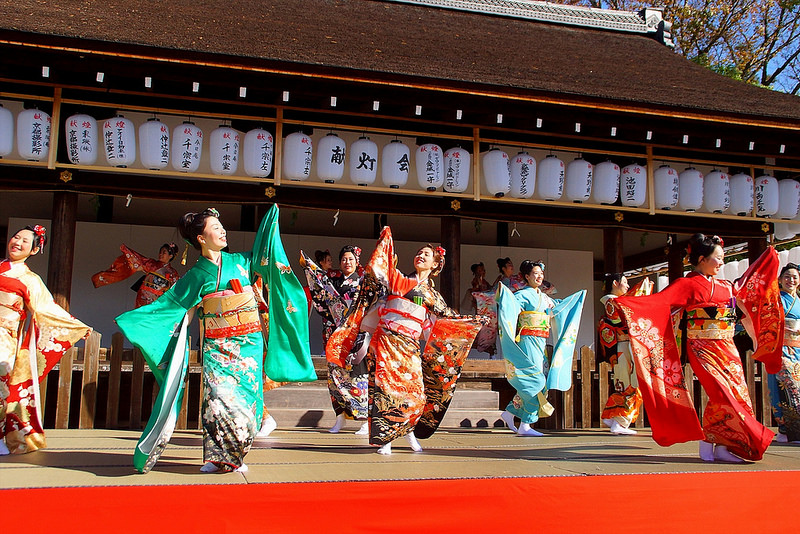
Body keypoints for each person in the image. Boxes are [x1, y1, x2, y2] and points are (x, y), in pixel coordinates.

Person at [116, 205, 316, 473]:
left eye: (222, 227)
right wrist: (156, 328)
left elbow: (267, 258)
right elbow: (175, 309)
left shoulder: (242, 261)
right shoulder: (197, 275)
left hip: (249, 345)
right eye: (216, 228)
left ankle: (236, 456)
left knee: (246, 403)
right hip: (218, 347)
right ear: (201, 238)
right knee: (218, 399)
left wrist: (270, 226)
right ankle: (217, 457)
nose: (223, 232)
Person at [614, 233, 782, 462]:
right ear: (702, 259)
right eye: (718, 258)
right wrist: (625, 303)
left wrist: (768, 258)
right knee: (720, 392)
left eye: (723, 258)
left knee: (738, 394)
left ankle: (724, 445)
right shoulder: (687, 284)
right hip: (702, 347)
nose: (722, 262)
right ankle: (708, 439)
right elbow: (659, 303)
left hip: (728, 348)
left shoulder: (726, 286)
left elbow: (750, 290)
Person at [327, 227, 485, 455]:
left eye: (426, 255)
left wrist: (477, 320)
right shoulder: (398, 279)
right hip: (387, 341)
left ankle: (409, 433)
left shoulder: (431, 295)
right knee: (387, 390)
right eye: (419, 253)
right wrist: (384, 243)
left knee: (416, 393)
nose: (420, 256)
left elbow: (450, 318)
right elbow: (378, 272)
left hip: (409, 345)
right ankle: (386, 440)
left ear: (435, 265)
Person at [1, 225, 91, 455]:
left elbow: (47, 310)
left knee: (2, 389)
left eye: (24, 241)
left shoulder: (30, 280)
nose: (17, 242)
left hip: (4, 339)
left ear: (33, 250)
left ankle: (4, 436)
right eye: (16, 237)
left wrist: (76, 326)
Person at [496, 260, 586, 436]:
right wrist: (505, 295)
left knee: (539, 380)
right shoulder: (522, 295)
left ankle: (510, 412)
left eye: (541, 274)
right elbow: (511, 308)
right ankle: (526, 425)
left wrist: (575, 300)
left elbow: (558, 308)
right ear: (527, 276)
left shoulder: (544, 297)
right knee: (535, 381)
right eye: (535, 273)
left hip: (541, 341)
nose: (539, 277)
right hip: (527, 340)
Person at [301, 244, 368, 434]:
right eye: (344, 259)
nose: (347, 262)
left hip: (355, 336)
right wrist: (309, 268)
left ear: (357, 262)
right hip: (333, 334)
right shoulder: (333, 282)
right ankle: (340, 417)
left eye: (351, 259)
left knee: (358, 376)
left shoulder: (363, 282)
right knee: (335, 377)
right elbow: (320, 296)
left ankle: (364, 419)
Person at [597, 273, 652, 435]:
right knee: (634, 383)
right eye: (625, 282)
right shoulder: (611, 301)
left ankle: (612, 416)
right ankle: (621, 422)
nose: (627, 286)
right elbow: (620, 322)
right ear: (615, 283)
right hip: (625, 345)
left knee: (623, 382)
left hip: (622, 346)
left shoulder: (616, 301)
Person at [92, 243, 180, 308]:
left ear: (170, 255)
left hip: (159, 300)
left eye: (164, 252)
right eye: (160, 252)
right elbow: (139, 261)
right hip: (144, 297)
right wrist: (128, 254)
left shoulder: (173, 273)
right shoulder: (152, 264)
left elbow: (176, 289)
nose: (160, 254)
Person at [769, 262, 800, 443]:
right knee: (787, 387)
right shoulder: (774, 299)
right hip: (780, 350)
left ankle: (790, 430)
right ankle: (787, 429)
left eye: (794, 277)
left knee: (796, 388)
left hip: (797, 350)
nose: (791, 280)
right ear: (780, 280)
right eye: (787, 276)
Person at [468, 262, 497, 356]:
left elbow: (490, 290)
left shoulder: (483, 281)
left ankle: (488, 346)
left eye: (483, 270)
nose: (482, 272)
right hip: (481, 307)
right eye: (480, 270)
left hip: (487, 308)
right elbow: (479, 292)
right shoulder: (476, 281)